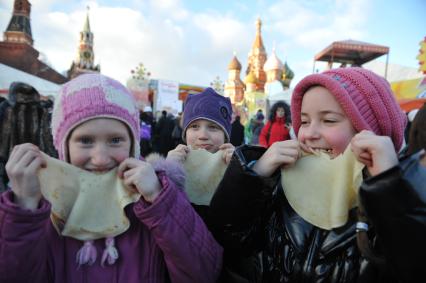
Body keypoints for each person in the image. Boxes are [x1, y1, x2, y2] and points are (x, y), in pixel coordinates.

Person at [0, 74, 223, 282]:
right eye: (85, 140)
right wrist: (24, 209)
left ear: (133, 144)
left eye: (115, 140)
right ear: (63, 146)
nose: (100, 158)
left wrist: (160, 200)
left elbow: (203, 272)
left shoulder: (152, 201)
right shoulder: (45, 208)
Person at [209, 67, 424, 282]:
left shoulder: (389, 202)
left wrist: (390, 189)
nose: (310, 134)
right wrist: (254, 174)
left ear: (370, 133)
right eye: (304, 121)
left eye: (329, 120)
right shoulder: (280, 183)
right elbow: (228, 235)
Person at [167, 88, 260, 282]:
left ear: (226, 136)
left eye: (213, 127)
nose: (202, 135)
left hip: (225, 267)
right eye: (194, 127)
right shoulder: (175, 164)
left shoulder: (234, 164)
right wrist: (168, 171)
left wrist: (238, 171)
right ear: (185, 133)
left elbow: (247, 224)